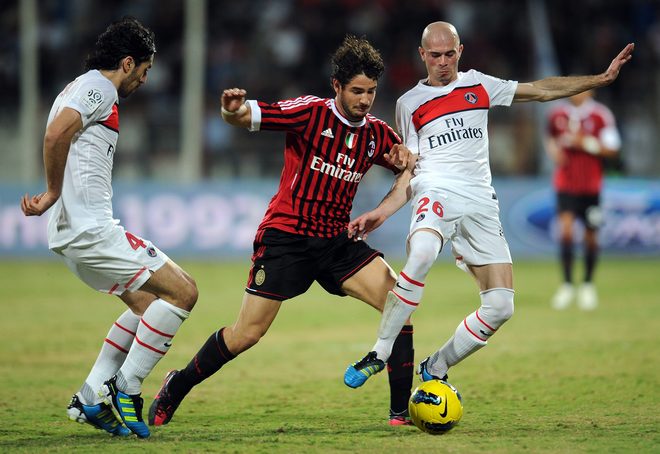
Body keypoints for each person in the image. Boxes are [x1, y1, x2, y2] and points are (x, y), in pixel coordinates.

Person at [343, 22, 634, 387]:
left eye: (450, 54)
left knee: (501, 307)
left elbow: (541, 90)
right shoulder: (409, 104)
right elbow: (410, 171)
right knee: (420, 255)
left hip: (481, 199)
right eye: (435, 55)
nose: (443, 62)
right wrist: (382, 212)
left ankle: (436, 366)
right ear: (423, 56)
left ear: (460, 51)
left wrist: (600, 79)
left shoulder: (479, 85)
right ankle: (379, 352)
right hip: (435, 190)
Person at [148, 35, 416, 428]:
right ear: (336, 86)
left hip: (337, 243)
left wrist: (406, 163)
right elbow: (245, 116)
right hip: (287, 238)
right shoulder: (309, 113)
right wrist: (230, 112)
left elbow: (410, 171)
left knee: (400, 304)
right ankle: (177, 384)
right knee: (247, 333)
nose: (364, 100)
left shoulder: (376, 133)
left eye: (371, 92)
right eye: (356, 90)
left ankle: (399, 414)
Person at [20, 17, 198, 439]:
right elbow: (54, 136)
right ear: (127, 62)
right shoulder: (99, 88)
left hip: (72, 234)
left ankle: (90, 396)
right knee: (184, 292)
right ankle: (127, 386)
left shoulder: (79, 88)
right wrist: (50, 193)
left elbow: (61, 134)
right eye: (145, 69)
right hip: (91, 229)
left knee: (145, 306)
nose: (146, 77)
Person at [546, 90, 621, 311]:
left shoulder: (600, 115)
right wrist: (553, 151)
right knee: (566, 231)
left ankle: (587, 285)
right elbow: (549, 137)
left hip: (590, 187)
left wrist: (586, 143)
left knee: (590, 237)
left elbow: (613, 150)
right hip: (565, 185)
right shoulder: (557, 114)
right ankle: (567, 285)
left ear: (590, 90)